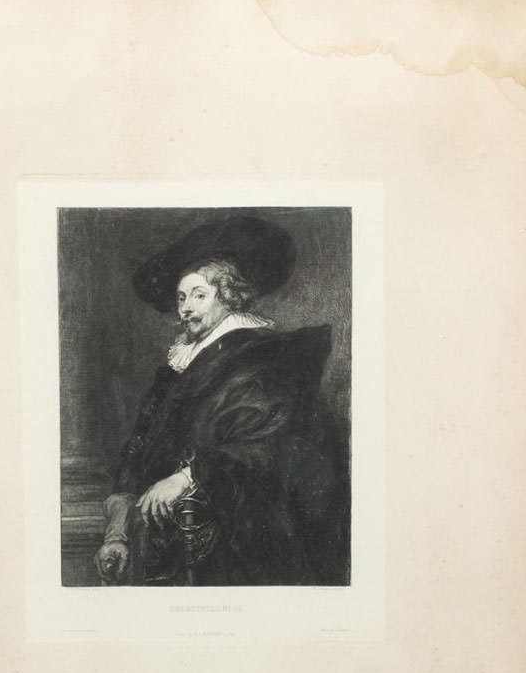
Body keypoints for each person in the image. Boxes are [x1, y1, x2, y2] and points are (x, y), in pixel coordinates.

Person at [94, 214, 350, 587]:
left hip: (232, 553)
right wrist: (117, 532)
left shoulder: (265, 361)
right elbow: (138, 450)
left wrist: (189, 476)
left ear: (229, 297)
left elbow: (272, 450)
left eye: (200, 295)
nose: (186, 308)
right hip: (162, 547)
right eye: (181, 297)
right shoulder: (176, 371)